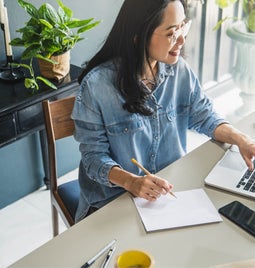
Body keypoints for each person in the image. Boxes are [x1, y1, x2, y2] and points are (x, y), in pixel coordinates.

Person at [72, 0, 255, 222]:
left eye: (182, 27)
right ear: (138, 37)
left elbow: (204, 115)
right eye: (171, 33)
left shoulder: (178, 70)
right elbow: (93, 158)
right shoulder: (96, 86)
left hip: (166, 194)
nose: (181, 39)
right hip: (113, 200)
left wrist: (243, 140)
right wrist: (131, 182)